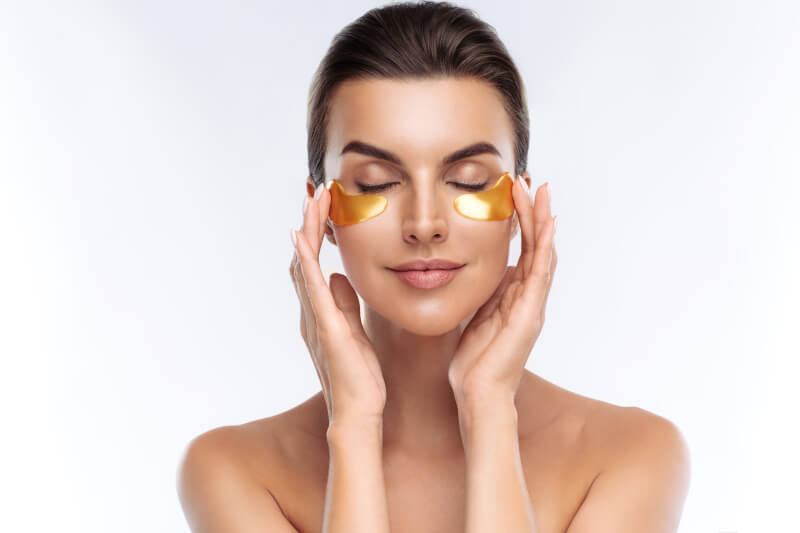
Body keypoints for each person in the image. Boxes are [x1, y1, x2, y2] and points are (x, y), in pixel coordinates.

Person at [177, 2, 691, 532]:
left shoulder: (630, 455)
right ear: (321, 211)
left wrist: (489, 410)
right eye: (376, 181)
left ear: (519, 204)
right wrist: (353, 427)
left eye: (469, 180)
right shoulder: (234, 470)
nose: (424, 223)